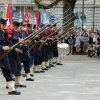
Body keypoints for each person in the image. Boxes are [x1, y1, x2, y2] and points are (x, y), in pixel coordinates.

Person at [0, 18, 21, 95]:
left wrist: (18, 40)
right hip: (1, 51)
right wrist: (2, 47)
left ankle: (11, 89)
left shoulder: (3, 32)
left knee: (7, 71)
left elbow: (10, 37)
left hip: (3, 55)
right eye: (3, 24)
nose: (5, 26)